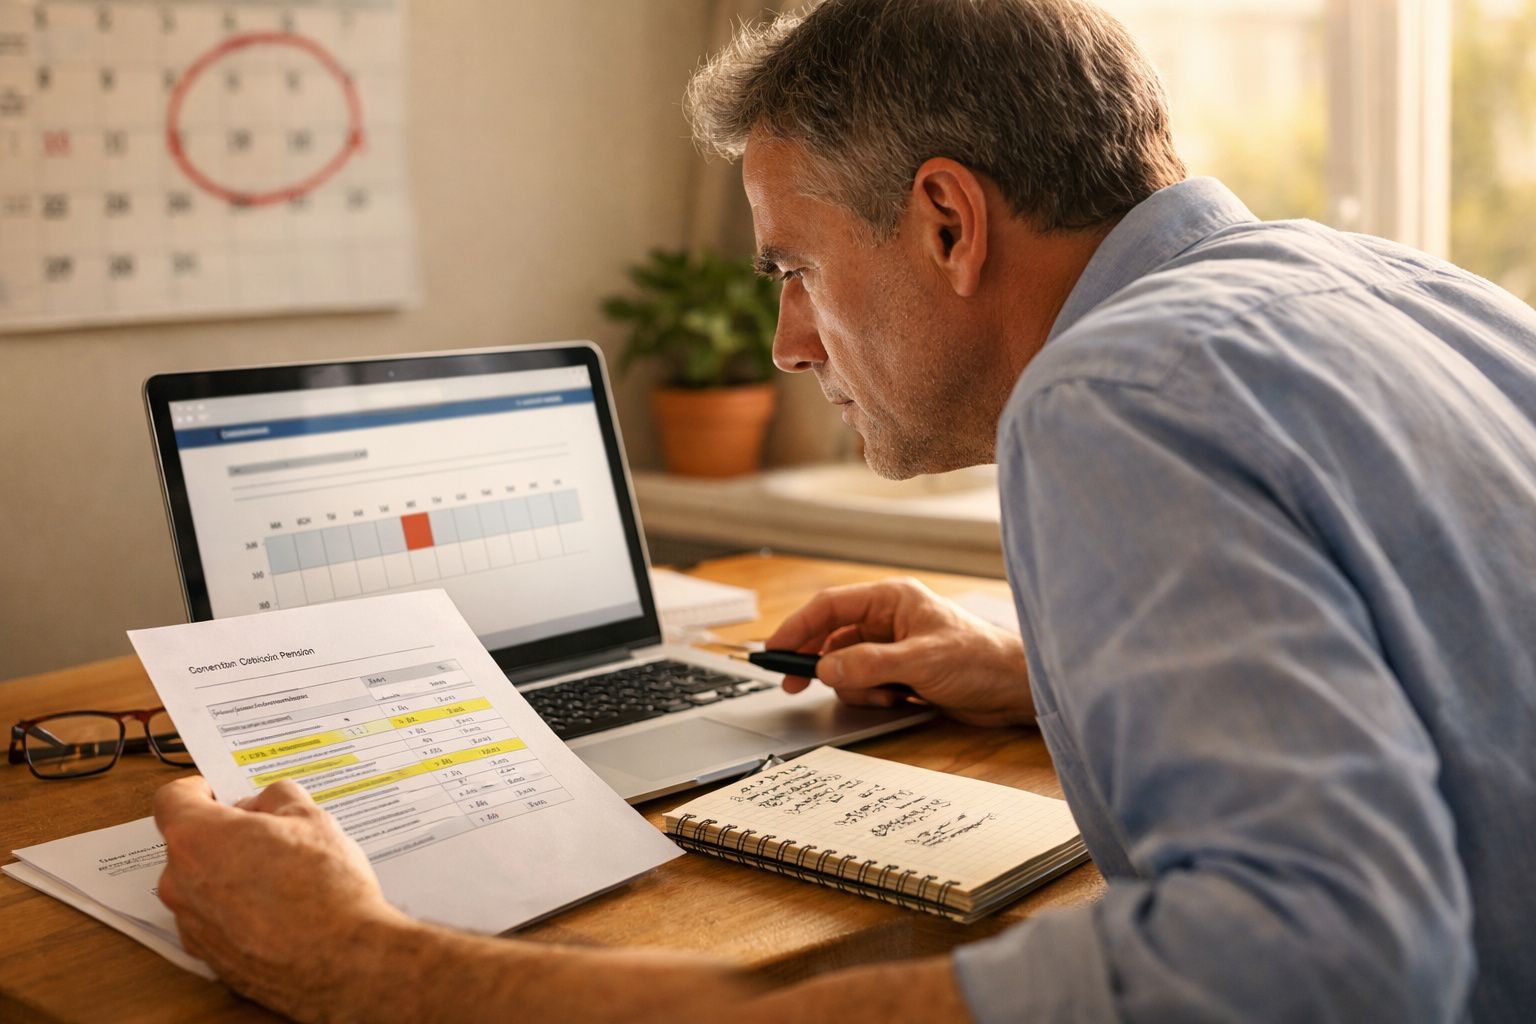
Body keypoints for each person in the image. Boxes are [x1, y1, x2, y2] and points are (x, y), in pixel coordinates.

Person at [152, 0, 1536, 1020]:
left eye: (795, 269)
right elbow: (1464, 667)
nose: (786, 345)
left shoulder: (1113, 391)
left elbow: (1318, 974)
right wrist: (1043, 670)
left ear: (948, 222)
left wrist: (366, 964)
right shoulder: (1409, 291)